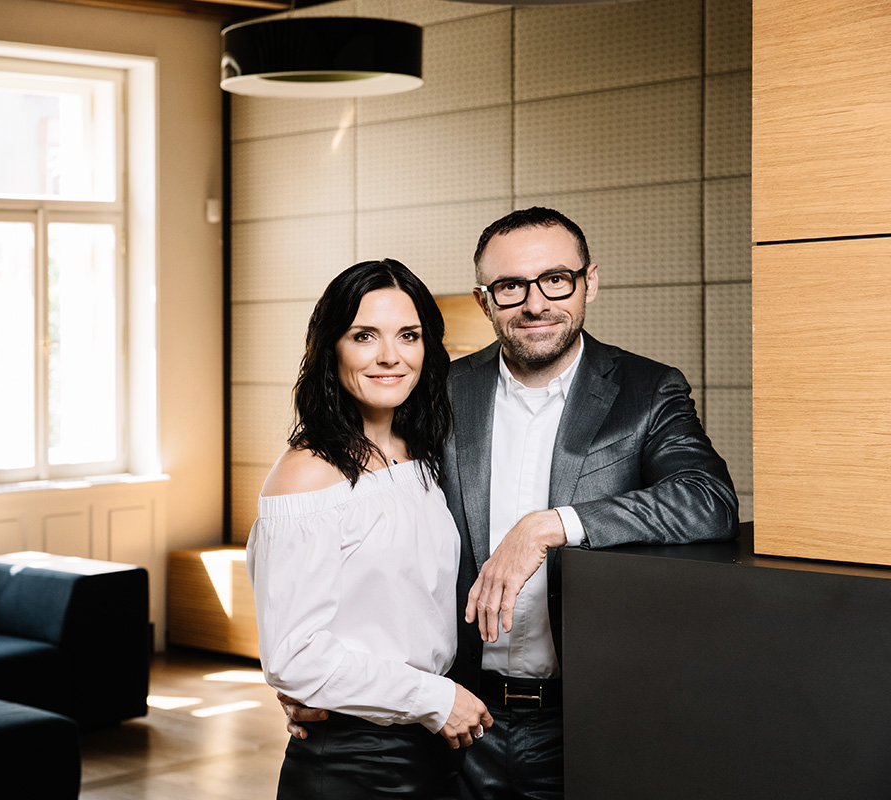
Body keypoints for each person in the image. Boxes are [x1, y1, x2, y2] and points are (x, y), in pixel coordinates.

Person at [281, 208, 739, 799]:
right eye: (510, 287)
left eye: (556, 279)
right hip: (456, 719)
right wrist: (314, 680)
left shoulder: (647, 391)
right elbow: (345, 519)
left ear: (588, 282)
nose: (535, 303)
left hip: (586, 720)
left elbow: (708, 500)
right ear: (484, 299)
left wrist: (552, 526)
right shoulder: (436, 391)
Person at [247, 259, 494, 800]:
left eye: (409, 335)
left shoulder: (423, 454)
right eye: (364, 336)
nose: (390, 356)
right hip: (354, 763)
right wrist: (434, 697)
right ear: (330, 347)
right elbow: (295, 657)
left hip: (434, 747)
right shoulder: (308, 473)